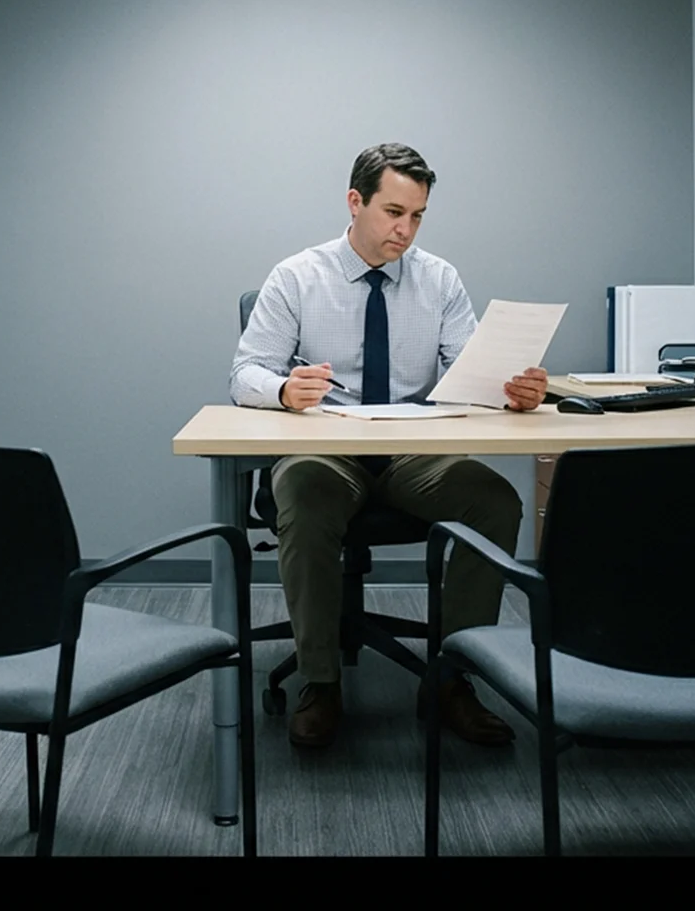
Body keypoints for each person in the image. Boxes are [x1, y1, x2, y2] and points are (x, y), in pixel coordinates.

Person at [231, 143, 547, 751]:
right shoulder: (296, 277)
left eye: (418, 216)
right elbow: (245, 373)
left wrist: (514, 390)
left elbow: (472, 375)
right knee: (301, 488)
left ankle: (453, 680)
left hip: (412, 452)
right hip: (327, 447)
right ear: (356, 202)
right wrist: (283, 389)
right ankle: (320, 681)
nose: (406, 230)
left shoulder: (440, 279)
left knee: (496, 501)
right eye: (393, 212)